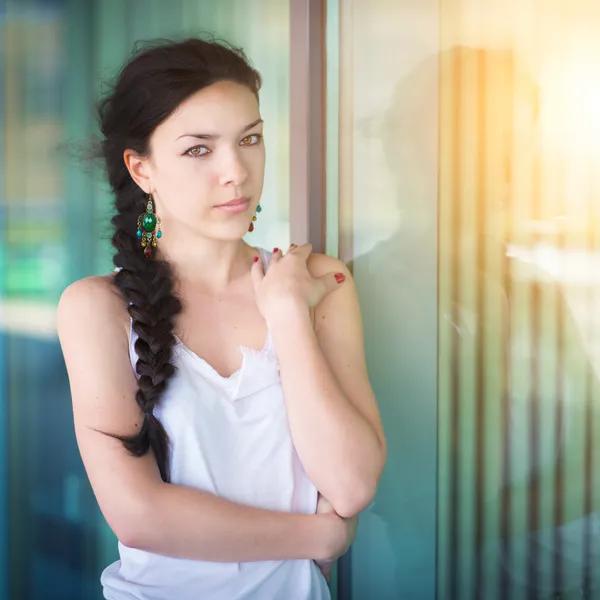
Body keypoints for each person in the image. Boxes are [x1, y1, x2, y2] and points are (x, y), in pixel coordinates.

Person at [56, 37, 386, 600]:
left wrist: (288, 318)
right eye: (198, 150)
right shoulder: (98, 309)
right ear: (142, 170)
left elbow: (351, 485)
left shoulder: (316, 283)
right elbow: (140, 517)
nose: (236, 170)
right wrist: (316, 536)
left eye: (249, 139)